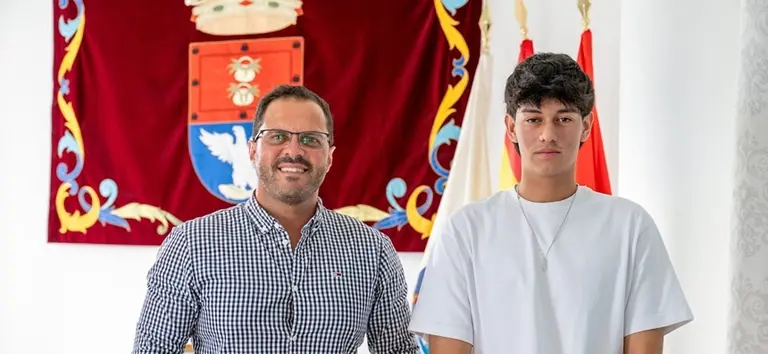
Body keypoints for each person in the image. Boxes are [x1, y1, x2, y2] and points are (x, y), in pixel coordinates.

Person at [407, 53, 694, 354]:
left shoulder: (630, 227)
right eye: (533, 119)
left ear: (586, 126)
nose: (548, 134)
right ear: (510, 128)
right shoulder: (466, 230)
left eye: (563, 119)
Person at [132, 84, 418, 354]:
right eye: (278, 136)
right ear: (253, 150)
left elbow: (399, 351)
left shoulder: (373, 251)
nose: (293, 151)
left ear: (329, 157)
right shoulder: (191, 245)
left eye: (310, 139)